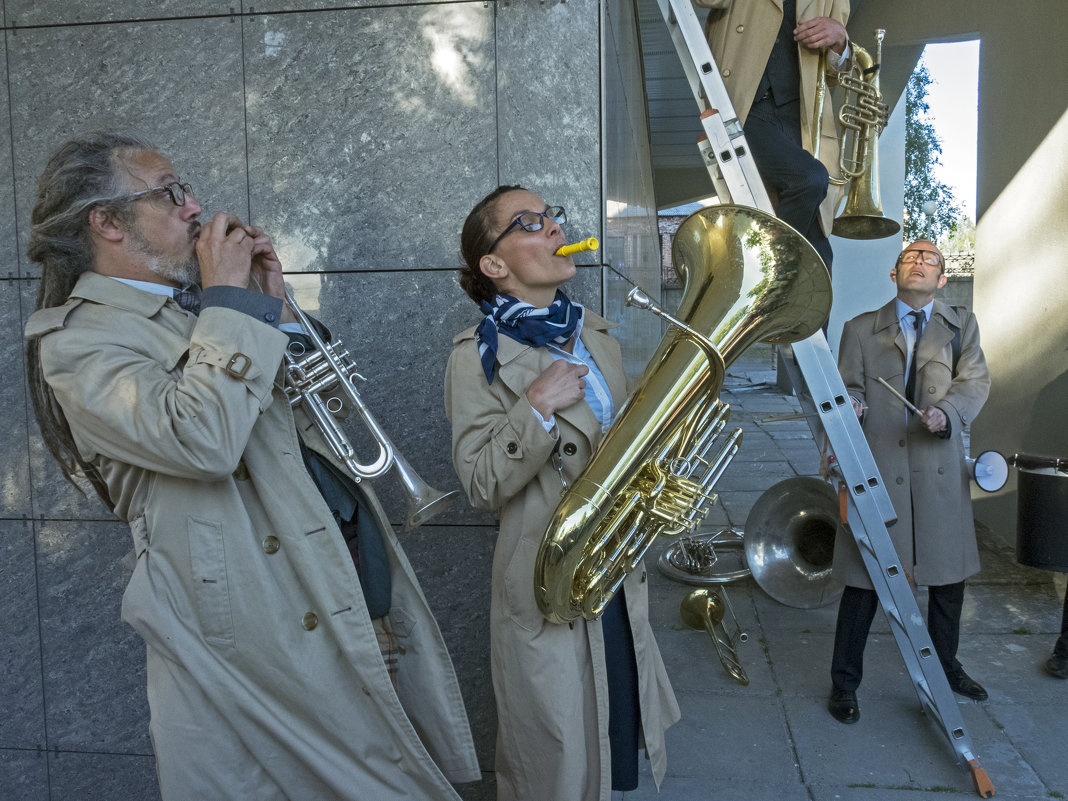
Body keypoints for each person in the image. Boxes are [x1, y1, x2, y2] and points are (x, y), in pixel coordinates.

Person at [23, 132, 480, 799]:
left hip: (325, 583)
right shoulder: (79, 339)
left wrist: (274, 303)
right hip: (242, 641)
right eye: (170, 192)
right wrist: (234, 304)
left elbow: (303, 419)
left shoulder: (201, 307)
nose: (194, 206)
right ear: (107, 222)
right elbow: (202, 440)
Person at [444, 185, 681, 801]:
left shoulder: (595, 335)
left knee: (616, 731)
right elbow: (479, 483)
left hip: (615, 573)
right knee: (559, 757)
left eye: (553, 217)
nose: (553, 228)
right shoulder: (476, 359)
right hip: (547, 583)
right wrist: (537, 408)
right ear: (494, 265)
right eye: (530, 222)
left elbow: (625, 448)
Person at [827, 240, 992, 724]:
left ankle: (946, 667)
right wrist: (851, 404)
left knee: (947, 578)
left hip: (938, 469)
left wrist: (949, 412)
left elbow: (974, 380)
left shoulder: (961, 325)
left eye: (930, 259)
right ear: (893, 273)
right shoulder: (859, 330)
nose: (918, 262)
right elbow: (848, 385)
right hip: (878, 468)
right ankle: (844, 685)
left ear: (943, 279)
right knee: (865, 581)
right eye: (910, 257)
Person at [693, 0, 850, 271]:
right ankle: (768, 270)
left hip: (803, 117)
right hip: (743, 107)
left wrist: (839, 40)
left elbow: (835, 74)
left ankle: (780, 288)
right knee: (809, 178)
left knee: (818, 256)